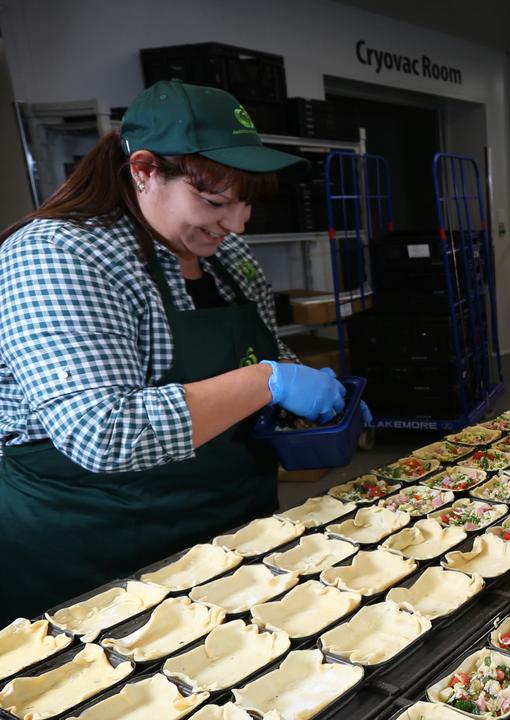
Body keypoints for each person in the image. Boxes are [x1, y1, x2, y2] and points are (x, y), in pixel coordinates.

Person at [0, 80, 355, 621]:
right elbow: (103, 433)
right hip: (92, 544)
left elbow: (260, 349)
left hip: (230, 520)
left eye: (246, 204)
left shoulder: (225, 254)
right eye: (214, 201)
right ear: (143, 170)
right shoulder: (59, 254)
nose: (236, 224)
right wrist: (267, 380)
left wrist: (307, 399)